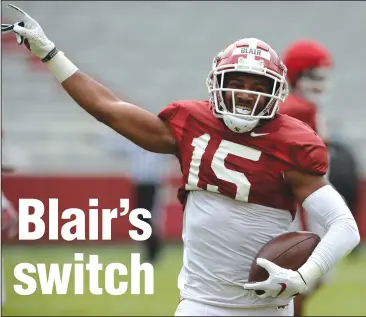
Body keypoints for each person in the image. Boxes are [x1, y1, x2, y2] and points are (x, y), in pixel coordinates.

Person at [2, 5, 360, 316]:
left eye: (257, 86)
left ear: (275, 93)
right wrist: (49, 52)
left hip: (267, 305)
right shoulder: (191, 127)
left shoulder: (289, 143)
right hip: (200, 302)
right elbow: (107, 109)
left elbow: (345, 226)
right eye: (236, 82)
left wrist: (302, 276)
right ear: (216, 83)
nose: (245, 95)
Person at [280, 40, 361, 316]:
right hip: (301, 205)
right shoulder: (297, 109)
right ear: (297, 76)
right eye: (313, 76)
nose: (320, 84)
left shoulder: (304, 107)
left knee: (308, 280)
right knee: (303, 279)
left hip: (307, 202)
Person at [102, 133, 167, 263]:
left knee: (149, 217)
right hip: (140, 185)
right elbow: (117, 150)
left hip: (152, 185)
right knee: (140, 217)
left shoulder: (157, 148)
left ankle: (154, 248)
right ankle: (151, 248)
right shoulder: (135, 146)